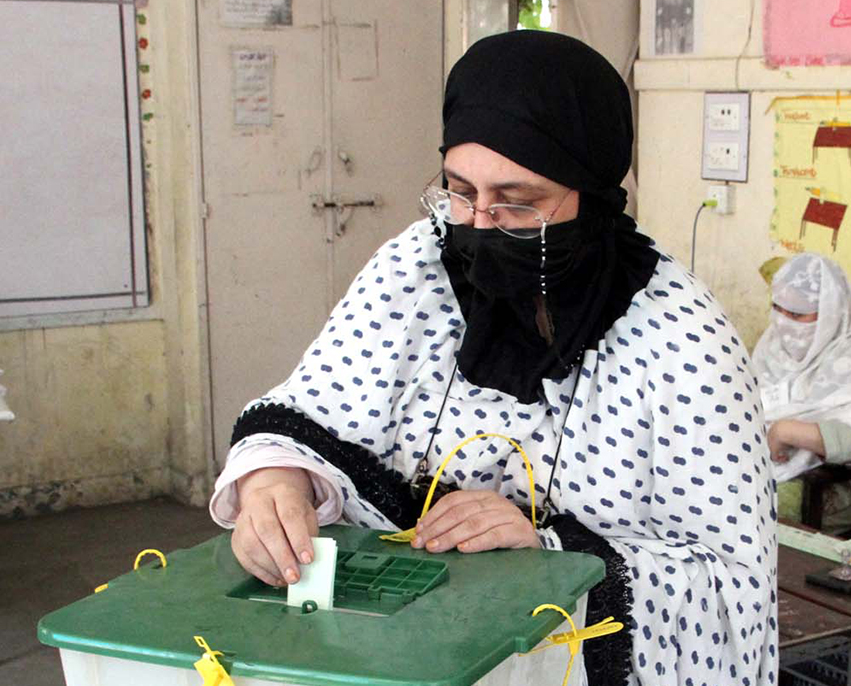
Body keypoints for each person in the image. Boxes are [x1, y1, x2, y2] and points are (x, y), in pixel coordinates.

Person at [208, 31, 776, 685]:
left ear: (591, 195)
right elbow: (306, 413)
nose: (477, 224)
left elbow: (734, 590)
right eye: (458, 190)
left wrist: (554, 550)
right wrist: (275, 482)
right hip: (388, 653)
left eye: (518, 201)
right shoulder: (416, 266)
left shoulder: (681, 342)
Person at [752, 253, 851, 534]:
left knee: (742, 508)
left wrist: (788, 431)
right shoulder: (772, 343)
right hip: (769, 467)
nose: (783, 322)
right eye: (778, 308)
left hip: (838, 482)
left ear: (831, 312)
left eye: (796, 314)